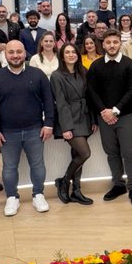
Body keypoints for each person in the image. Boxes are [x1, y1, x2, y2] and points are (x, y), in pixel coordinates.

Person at [0, 40, 55, 217]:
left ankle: (38, 195)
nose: (15, 55)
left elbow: (48, 101)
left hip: (35, 129)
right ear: (5, 54)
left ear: (25, 54)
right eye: (11, 52)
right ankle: (11, 197)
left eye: (19, 52)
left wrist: (49, 124)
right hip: (7, 132)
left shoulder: (37, 74)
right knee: (9, 167)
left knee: (38, 164)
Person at [87, 29, 132, 206]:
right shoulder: (96, 66)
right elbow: (92, 91)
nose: (111, 45)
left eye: (115, 42)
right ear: (103, 44)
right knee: (111, 153)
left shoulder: (130, 65)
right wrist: (104, 111)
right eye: (108, 42)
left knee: (129, 152)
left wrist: (115, 110)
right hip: (105, 118)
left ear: (120, 43)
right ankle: (118, 185)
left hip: (124, 116)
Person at [50, 43, 96, 205]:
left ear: (77, 54)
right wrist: (66, 127)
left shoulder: (84, 72)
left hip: (84, 117)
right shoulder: (57, 76)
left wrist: (94, 120)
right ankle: (64, 181)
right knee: (85, 153)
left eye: (73, 52)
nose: (71, 55)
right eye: (67, 52)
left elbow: (91, 97)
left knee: (78, 155)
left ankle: (76, 190)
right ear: (62, 56)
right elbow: (60, 103)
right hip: (69, 118)